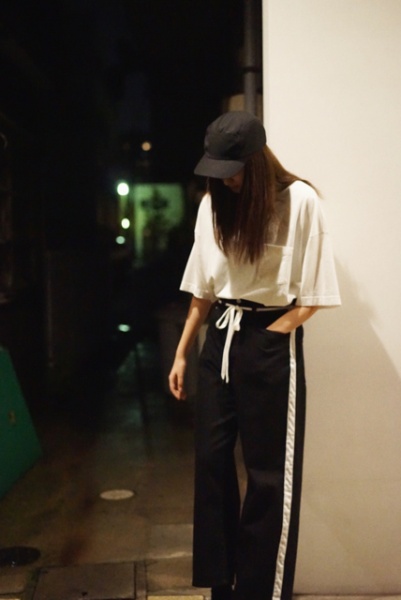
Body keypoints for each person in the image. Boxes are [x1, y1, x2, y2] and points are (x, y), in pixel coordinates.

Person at [168, 111, 341, 600]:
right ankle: (221, 587)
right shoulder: (213, 205)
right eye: (219, 172)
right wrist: (182, 353)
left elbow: (314, 294)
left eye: (235, 171)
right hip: (220, 338)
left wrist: (271, 335)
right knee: (211, 464)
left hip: (268, 338)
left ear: (258, 162)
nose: (228, 181)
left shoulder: (300, 201)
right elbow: (203, 288)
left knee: (268, 475)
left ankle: (260, 592)